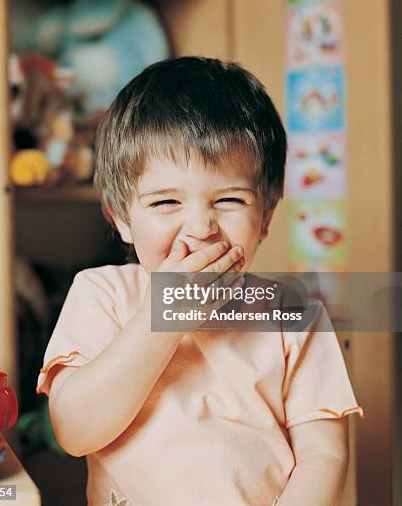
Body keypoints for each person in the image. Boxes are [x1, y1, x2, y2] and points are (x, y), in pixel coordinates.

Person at [37, 57, 363, 506]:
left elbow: (324, 455)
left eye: (228, 199)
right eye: (166, 202)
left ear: (265, 218)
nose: (200, 227)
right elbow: (74, 432)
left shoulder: (295, 314)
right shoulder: (103, 294)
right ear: (121, 220)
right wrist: (161, 319)